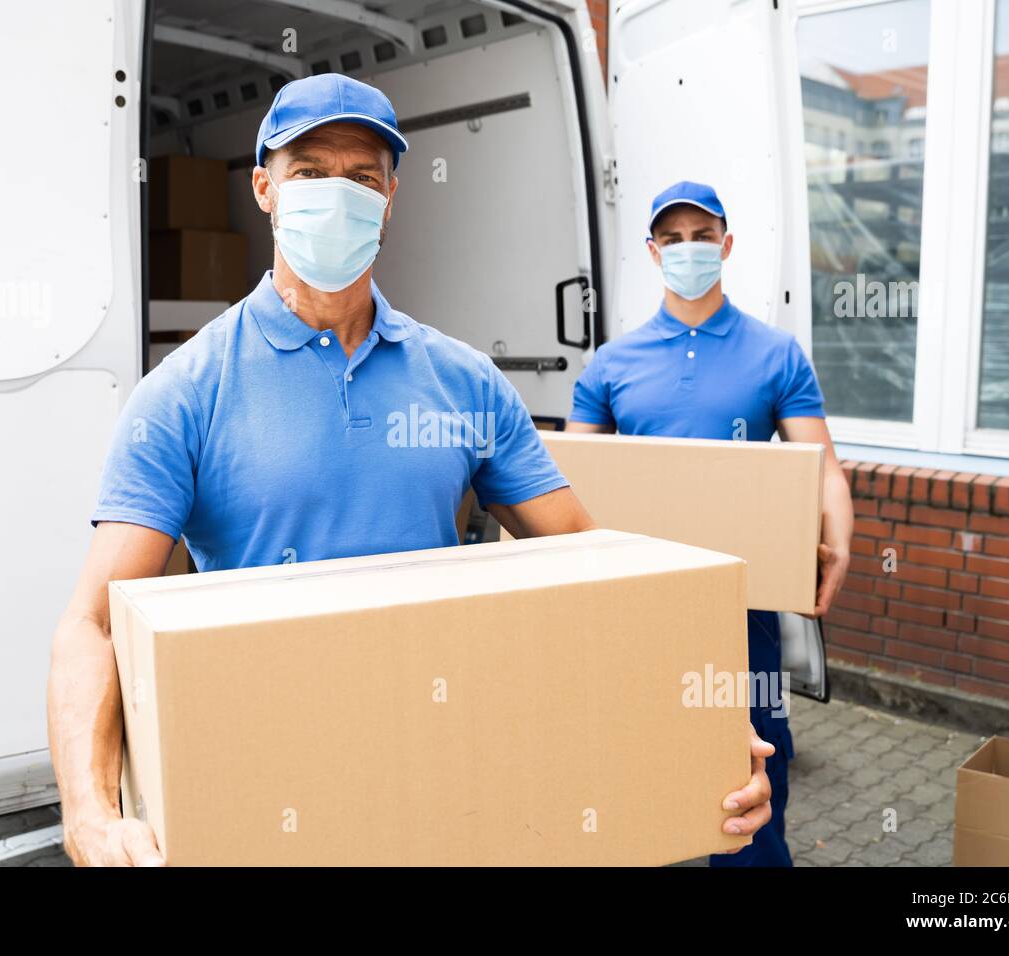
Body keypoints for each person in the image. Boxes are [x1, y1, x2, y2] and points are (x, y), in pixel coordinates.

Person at [47, 80, 774, 865]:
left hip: (442, 775)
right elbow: (91, 622)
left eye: (363, 178)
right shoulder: (184, 394)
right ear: (264, 188)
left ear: (392, 196)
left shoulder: (463, 382)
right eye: (309, 171)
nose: (340, 193)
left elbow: (594, 569)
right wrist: (88, 810)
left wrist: (702, 723)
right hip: (270, 788)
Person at [568, 181, 853, 867]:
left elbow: (823, 468)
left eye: (703, 236)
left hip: (741, 607)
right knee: (628, 767)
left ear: (725, 246)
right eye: (673, 238)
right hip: (635, 604)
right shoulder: (612, 363)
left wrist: (839, 539)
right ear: (651, 251)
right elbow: (569, 481)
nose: (688, 249)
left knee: (748, 783)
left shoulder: (774, 353)